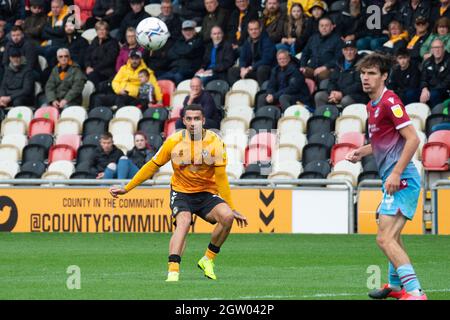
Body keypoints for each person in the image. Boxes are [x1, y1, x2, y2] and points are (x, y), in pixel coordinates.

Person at [109, 104, 248, 282]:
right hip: (181, 192)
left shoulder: (215, 143)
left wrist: (232, 207)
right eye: (189, 119)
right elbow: (152, 166)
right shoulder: (173, 141)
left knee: (227, 217)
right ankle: (173, 271)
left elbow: (221, 178)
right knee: (183, 221)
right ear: (183, 121)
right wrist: (127, 188)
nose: (193, 123)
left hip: (206, 193)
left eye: (196, 119)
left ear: (203, 121)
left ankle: (207, 259)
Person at [346, 53, 426, 300]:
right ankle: (395, 285)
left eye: (371, 73)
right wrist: (364, 150)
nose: (365, 78)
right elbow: (383, 141)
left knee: (384, 238)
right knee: (392, 235)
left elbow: (413, 139)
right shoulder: (371, 106)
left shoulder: (391, 101)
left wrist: (396, 172)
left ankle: (415, 292)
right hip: (392, 179)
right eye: (363, 73)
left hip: (402, 179)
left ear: (383, 76)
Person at [92, 49, 162, 109]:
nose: (134, 61)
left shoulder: (146, 72)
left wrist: (159, 100)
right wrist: (119, 90)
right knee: (98, 98)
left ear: (140, 59)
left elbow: (155, 86)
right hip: (119, 94)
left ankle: (121, 119)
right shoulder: (123, 69)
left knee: (120, 100)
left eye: (136, 59)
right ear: (129, 59)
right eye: (132, 58)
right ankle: (97, 120)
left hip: (133, 98)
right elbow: (115, 81)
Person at [314, 40, 367, 108]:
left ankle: (346, 118)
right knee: (319, 96)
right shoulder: (339, 63)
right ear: (343, 51)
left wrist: (342, 93)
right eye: (346, 50)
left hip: (354, 95)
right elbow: (332, 81)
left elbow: (359, 85)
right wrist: (333, 92)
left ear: (356, 51)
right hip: (337, 93)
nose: (348, 53)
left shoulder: (362, 64)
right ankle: (323, 117)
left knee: (345, 100)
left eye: (351, 50)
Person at [227, 19, 276, 86]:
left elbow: (266, 59)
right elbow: (242, 58)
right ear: (248, 30)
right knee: (232, 71)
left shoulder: (267, 41)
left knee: (262, 69)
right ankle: (237, 91)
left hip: (263, 69)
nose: (253, 31)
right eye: (251, 29)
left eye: (255, 29)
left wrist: (250, 68)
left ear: (260, 29)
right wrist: (242, 68)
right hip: (250, 69)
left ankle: (261, 92)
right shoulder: (247, 42)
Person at [159, 20, 204, 85]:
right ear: (182, 31)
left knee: (178, 77)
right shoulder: (179, 41)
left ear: (194, 31)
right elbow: (170, 54)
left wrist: (179, 52)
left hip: (189, 70)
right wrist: (184, 52)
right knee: (160, 79)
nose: (188, 32)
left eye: (190, 30)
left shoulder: (198, 41)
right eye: (185, 30)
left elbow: (189, 52)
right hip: (174, 69)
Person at [300, 16, 342, 81]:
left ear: (332, 27)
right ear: (318, 27)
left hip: (327, 69)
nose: (324, 28)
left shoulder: (338, 40)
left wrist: (325, 67)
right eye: (321, 26)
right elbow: (305, 53)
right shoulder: (313, 38)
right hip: (312, 67)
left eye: (326, 25)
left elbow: (339, 58)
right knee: (300, 73)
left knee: (322, 76)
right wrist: (302, 66)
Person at [84, 21, 120, 91]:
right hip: (92, 70)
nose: (101, 32)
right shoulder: (95, 41)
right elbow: (87, 55)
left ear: (107, 31)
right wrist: (88, 66)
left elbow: (109, 60)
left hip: (105, 71)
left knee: (92, 77)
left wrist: (94, 68)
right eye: (99, 30)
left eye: (103, 29)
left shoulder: (113, 42)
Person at [419, 39, 450, 108]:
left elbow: (447, 83)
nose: (437, 50)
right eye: (435, 48)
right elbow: (423, 79)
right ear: (431, 50)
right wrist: (424, 89)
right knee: (411, 93)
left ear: (443, 48)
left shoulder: (448, 61)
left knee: (434, 94)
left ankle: (435, 117)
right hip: (430, 89)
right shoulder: (427, 62)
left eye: (439, 47)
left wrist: (429, 92)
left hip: (445, 91)